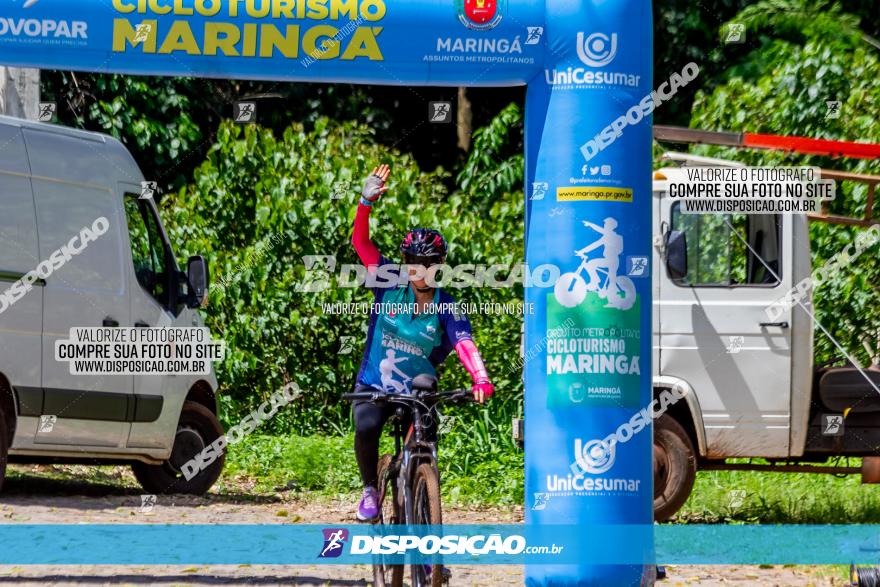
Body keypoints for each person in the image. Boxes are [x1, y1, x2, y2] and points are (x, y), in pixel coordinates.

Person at [349, 164, 495, 522]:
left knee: (426, 448)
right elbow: (361, 244)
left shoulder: (445, 303)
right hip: (375, 383)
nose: (420, 269)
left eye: (428, 263)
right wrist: (365, 203)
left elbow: (464, 342)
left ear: (439, 265)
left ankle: (427, 521)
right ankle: (370, 487)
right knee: (366, 426)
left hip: (417, 389)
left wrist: (481, 378)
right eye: (413, 262)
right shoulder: (387, 281)